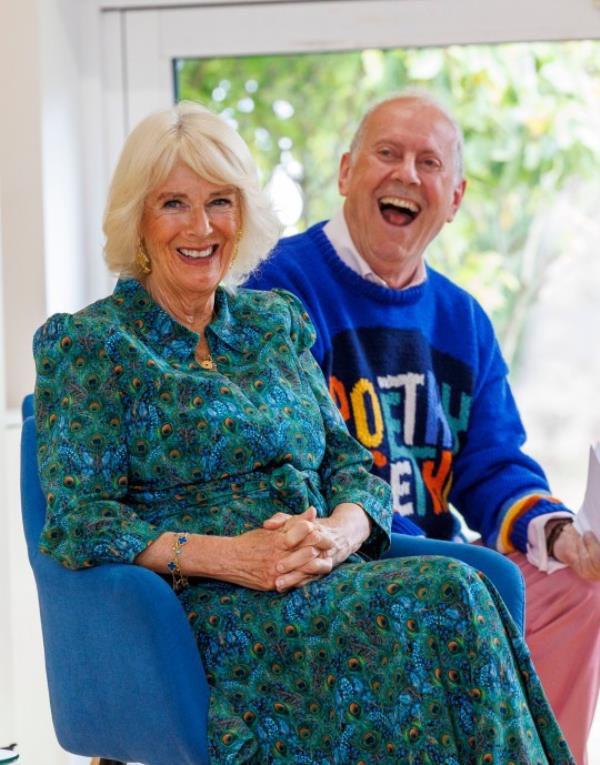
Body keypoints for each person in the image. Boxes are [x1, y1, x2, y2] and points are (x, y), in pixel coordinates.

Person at [33, 100, 574, 765]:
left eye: (221, 202)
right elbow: (79, 521)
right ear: (137, 220)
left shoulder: (273, 323)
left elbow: (352, 468)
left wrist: (339, 534)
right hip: (203, 613)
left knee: (461, 588)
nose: (201, 226)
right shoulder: (90, 345)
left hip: (322, 576)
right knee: (446, 596)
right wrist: (231, 556)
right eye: (174, 203)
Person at [245, 89, 600, 763]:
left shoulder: (463, 320)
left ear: (456, 198)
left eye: (428, 162)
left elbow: (493, 466)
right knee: (472, 586)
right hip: (342, 568)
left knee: (576, 587)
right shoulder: (279, 289)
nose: (407, 173)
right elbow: (282, 466)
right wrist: (438, 556)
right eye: (388, 153)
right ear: (347, 171)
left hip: (450, 565)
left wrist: (557, 532)